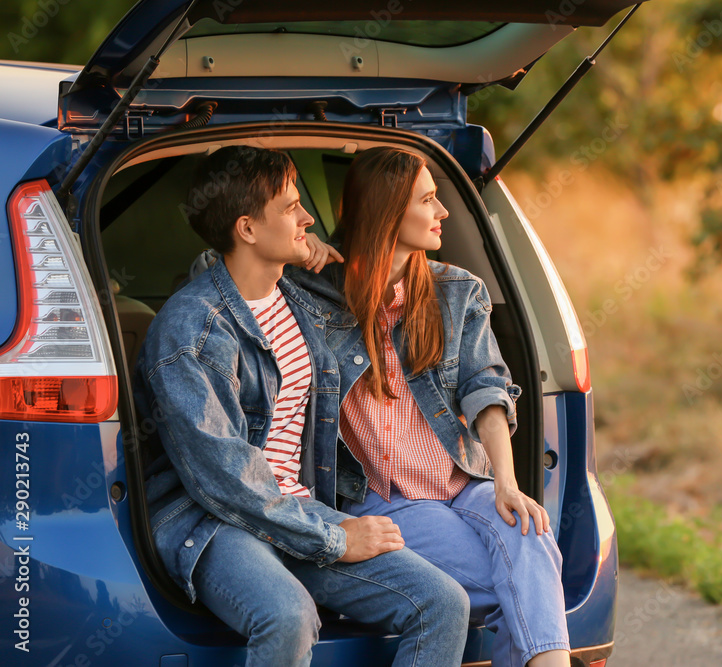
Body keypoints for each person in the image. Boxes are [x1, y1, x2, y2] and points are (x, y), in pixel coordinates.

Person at [133, 145, 470, 667]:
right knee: (289, 615)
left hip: (297, 507)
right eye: (292, 208)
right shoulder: (190, 331)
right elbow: (224, 478)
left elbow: (368, 277)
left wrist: (310, 252)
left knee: (444, 603)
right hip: (212, 518)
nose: (309, 218)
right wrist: (333, 538)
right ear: (247, 229)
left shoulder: (297, 297)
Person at [292, 146, 571, 667]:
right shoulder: (311, 291)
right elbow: (214, 276)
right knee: (518, 586)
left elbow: (486, 390)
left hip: (464, 482)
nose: (443, 212)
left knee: (531, 534)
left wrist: (506, 484)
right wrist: (292, 249)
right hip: (386, 500)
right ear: (387, 211)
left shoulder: (456, 290)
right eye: (429, 199)